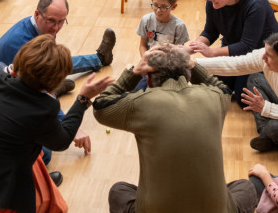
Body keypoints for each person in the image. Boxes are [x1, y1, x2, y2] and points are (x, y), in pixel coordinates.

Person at [0, 35, 113, 213]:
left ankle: (40, 187)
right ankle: (42, 194)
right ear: (54, 83)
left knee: (31, 151)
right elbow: (63, 141)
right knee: (55, 206)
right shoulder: (43, 109)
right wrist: (82, 99)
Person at [93, 44, 259, 213]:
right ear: (188, 75)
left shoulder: (141, 102)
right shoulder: (215, 97)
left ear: (148, 79)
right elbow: (224, 89)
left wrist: (134, 72)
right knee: (245, 187)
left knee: (119, 191)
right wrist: (193, 65)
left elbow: (100, 106)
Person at [0, 0, 116, 88]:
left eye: (61, 22)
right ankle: (99, 59)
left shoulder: (39, 26)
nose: (56, 28)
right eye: (51, 21)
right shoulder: (21, 42)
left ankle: (98, 60)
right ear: (37, 14)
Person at [188, 0, 278, 97]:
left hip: (259, 54)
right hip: (234, 47)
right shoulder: (213, 3)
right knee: (216, 87)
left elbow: (247, 46)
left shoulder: (254, 4)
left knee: (242, 96)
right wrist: (191, 48)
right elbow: (210, 32)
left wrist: (212, 52)